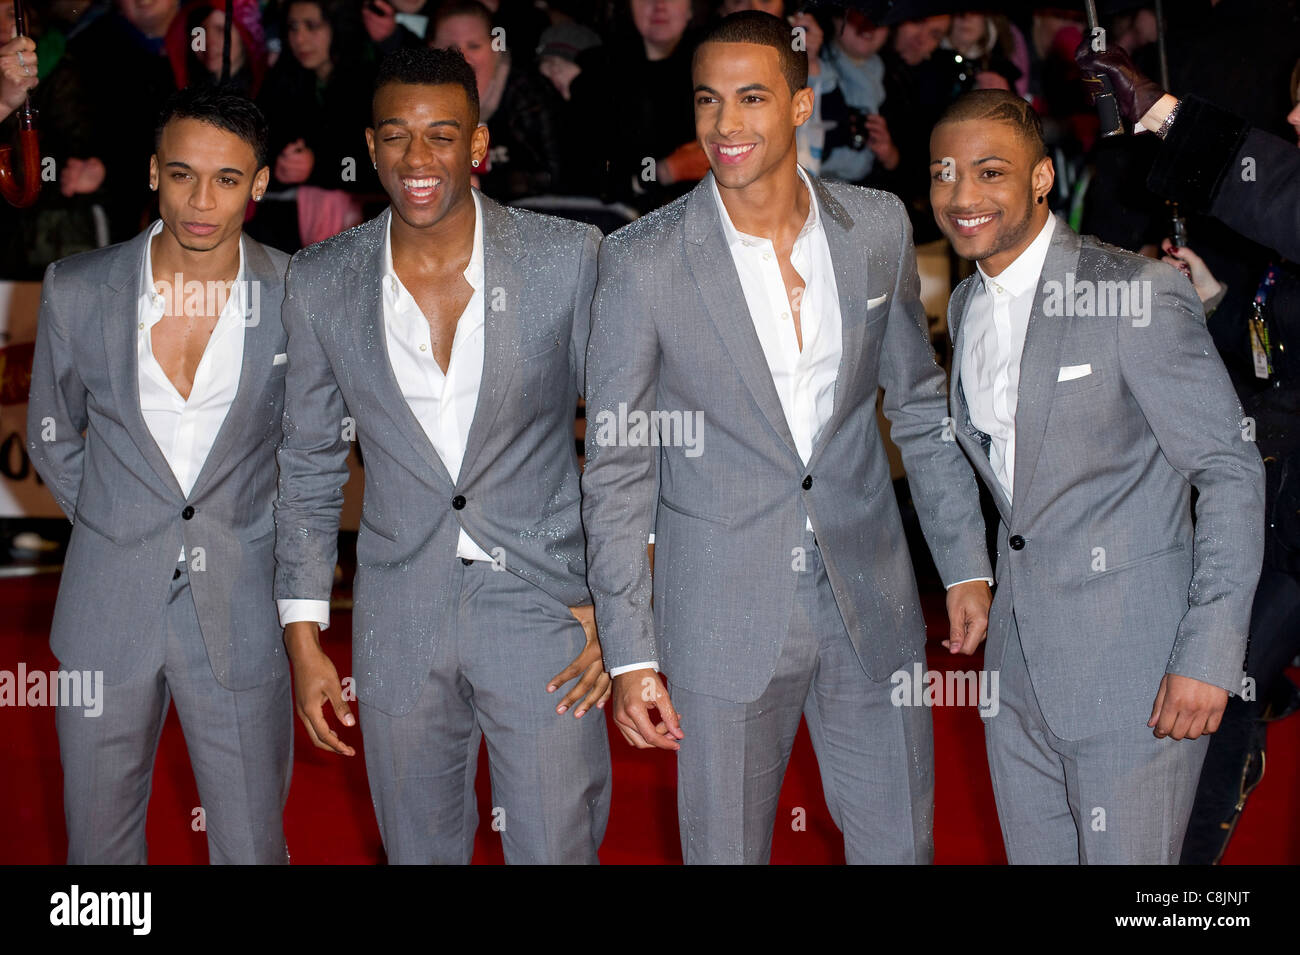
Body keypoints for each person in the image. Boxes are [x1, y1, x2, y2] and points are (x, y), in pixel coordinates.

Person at [582, 11, 993, 865]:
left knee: (900, 848)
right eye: (708, 100)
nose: (726, 125)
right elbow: (619, 465)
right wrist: (629, 650)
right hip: (716, 615)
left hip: (870, 602)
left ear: (802, 105)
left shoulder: (876, 228)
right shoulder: (641, 259)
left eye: (752, 98)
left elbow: (918, 405)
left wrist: (963, 559)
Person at [273, 46, 611, 864]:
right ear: (372, 144)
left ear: (478, 145)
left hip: (547, 606)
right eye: (397, 136)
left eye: (440, 136)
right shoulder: (321, 280)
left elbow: (627, 436)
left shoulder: (566, 258)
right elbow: (311, 465)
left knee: (556, 849)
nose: (418, 160)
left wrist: (626, 600)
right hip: (398, 613)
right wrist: (304, 635)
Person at [930, 88, 1265, 864]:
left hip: (1140, 678)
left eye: (990, 173)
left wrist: (1207, 653)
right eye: (946, 174)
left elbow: (1228, 471)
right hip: (1016, 680)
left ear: (1042, 177)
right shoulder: (968, 305)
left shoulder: (1134, 296)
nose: (963, 196)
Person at [26, 85, 293, 864]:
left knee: (251, 846)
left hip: (241, 607)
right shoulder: (76, 288)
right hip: (107, 605)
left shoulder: (295, 294)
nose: (200, 201)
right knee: (98, 854)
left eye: (226, 179)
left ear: (261, 183)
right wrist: (122, 525)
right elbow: (51, 434)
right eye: (181, 175)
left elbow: (308, 451)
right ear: (152, 172)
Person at [431, 0, 561, 201]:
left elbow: (559, 175)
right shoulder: (416, 101)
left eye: (474, 46)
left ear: (495, 49)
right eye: (451, 47)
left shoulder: (529, 96)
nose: (464, 57)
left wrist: (485, 185)